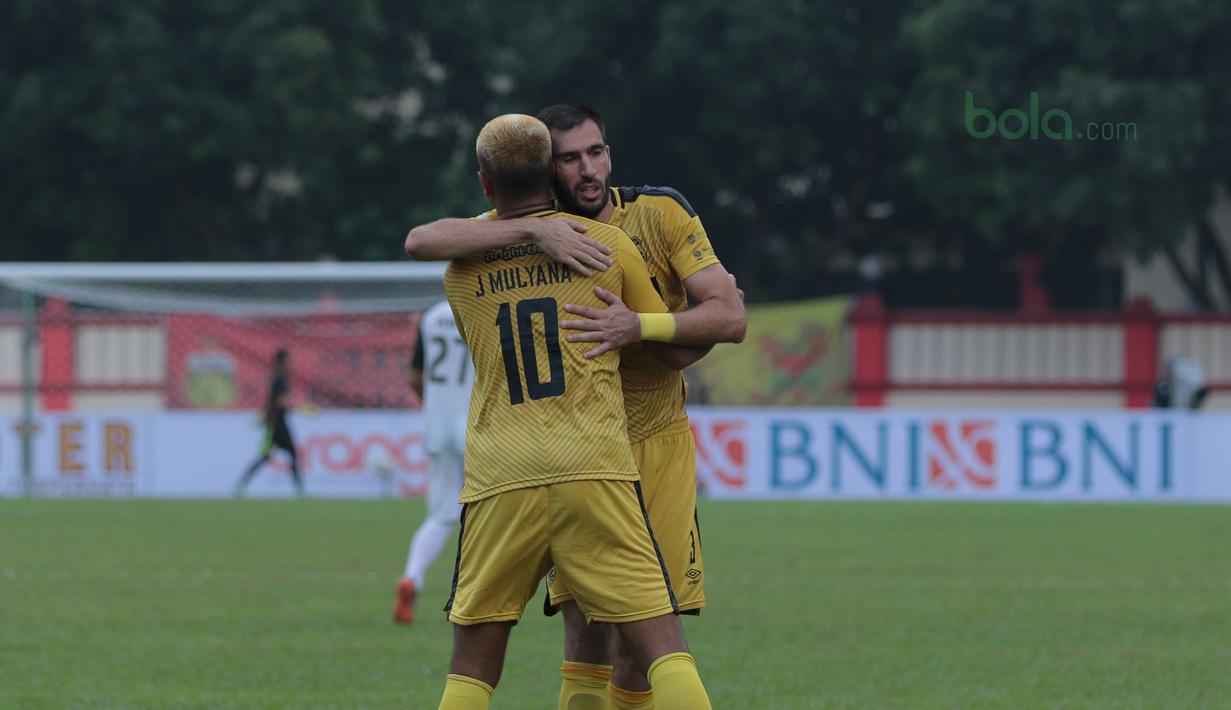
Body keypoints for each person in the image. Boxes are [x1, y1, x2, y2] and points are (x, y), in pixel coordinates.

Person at [406, 104, 745, 709]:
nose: (587, 169)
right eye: (569, 158)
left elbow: (423, 241)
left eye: (596, 152)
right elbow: (683, 350)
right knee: (625, 639)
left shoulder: (465, 267)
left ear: (487, 185)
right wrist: (535, 231)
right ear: (548, 171)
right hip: (594, 458)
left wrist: (636, 325)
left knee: (486, 664)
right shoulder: (606, 246)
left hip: (547, 460)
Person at [393, 300, 474, 625]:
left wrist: (436, 408)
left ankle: (412, 577)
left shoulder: (430, 316)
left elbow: (415, 377)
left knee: (441, 515)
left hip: (437, 426)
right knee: (490, 512)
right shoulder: (482, 302)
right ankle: (477, 592)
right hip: (477, 425)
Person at [235, 349, 304, 497]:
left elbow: (271, 402)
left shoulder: (281, 379)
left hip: (278, 423)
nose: (292, 364)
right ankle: (299, 490)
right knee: (270, 456)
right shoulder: (279, 380)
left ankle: (300, 490)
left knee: (283, 454)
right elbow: (279, 402)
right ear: (281, 362)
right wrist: (297, 406)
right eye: (289, 361)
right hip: (276, 425)